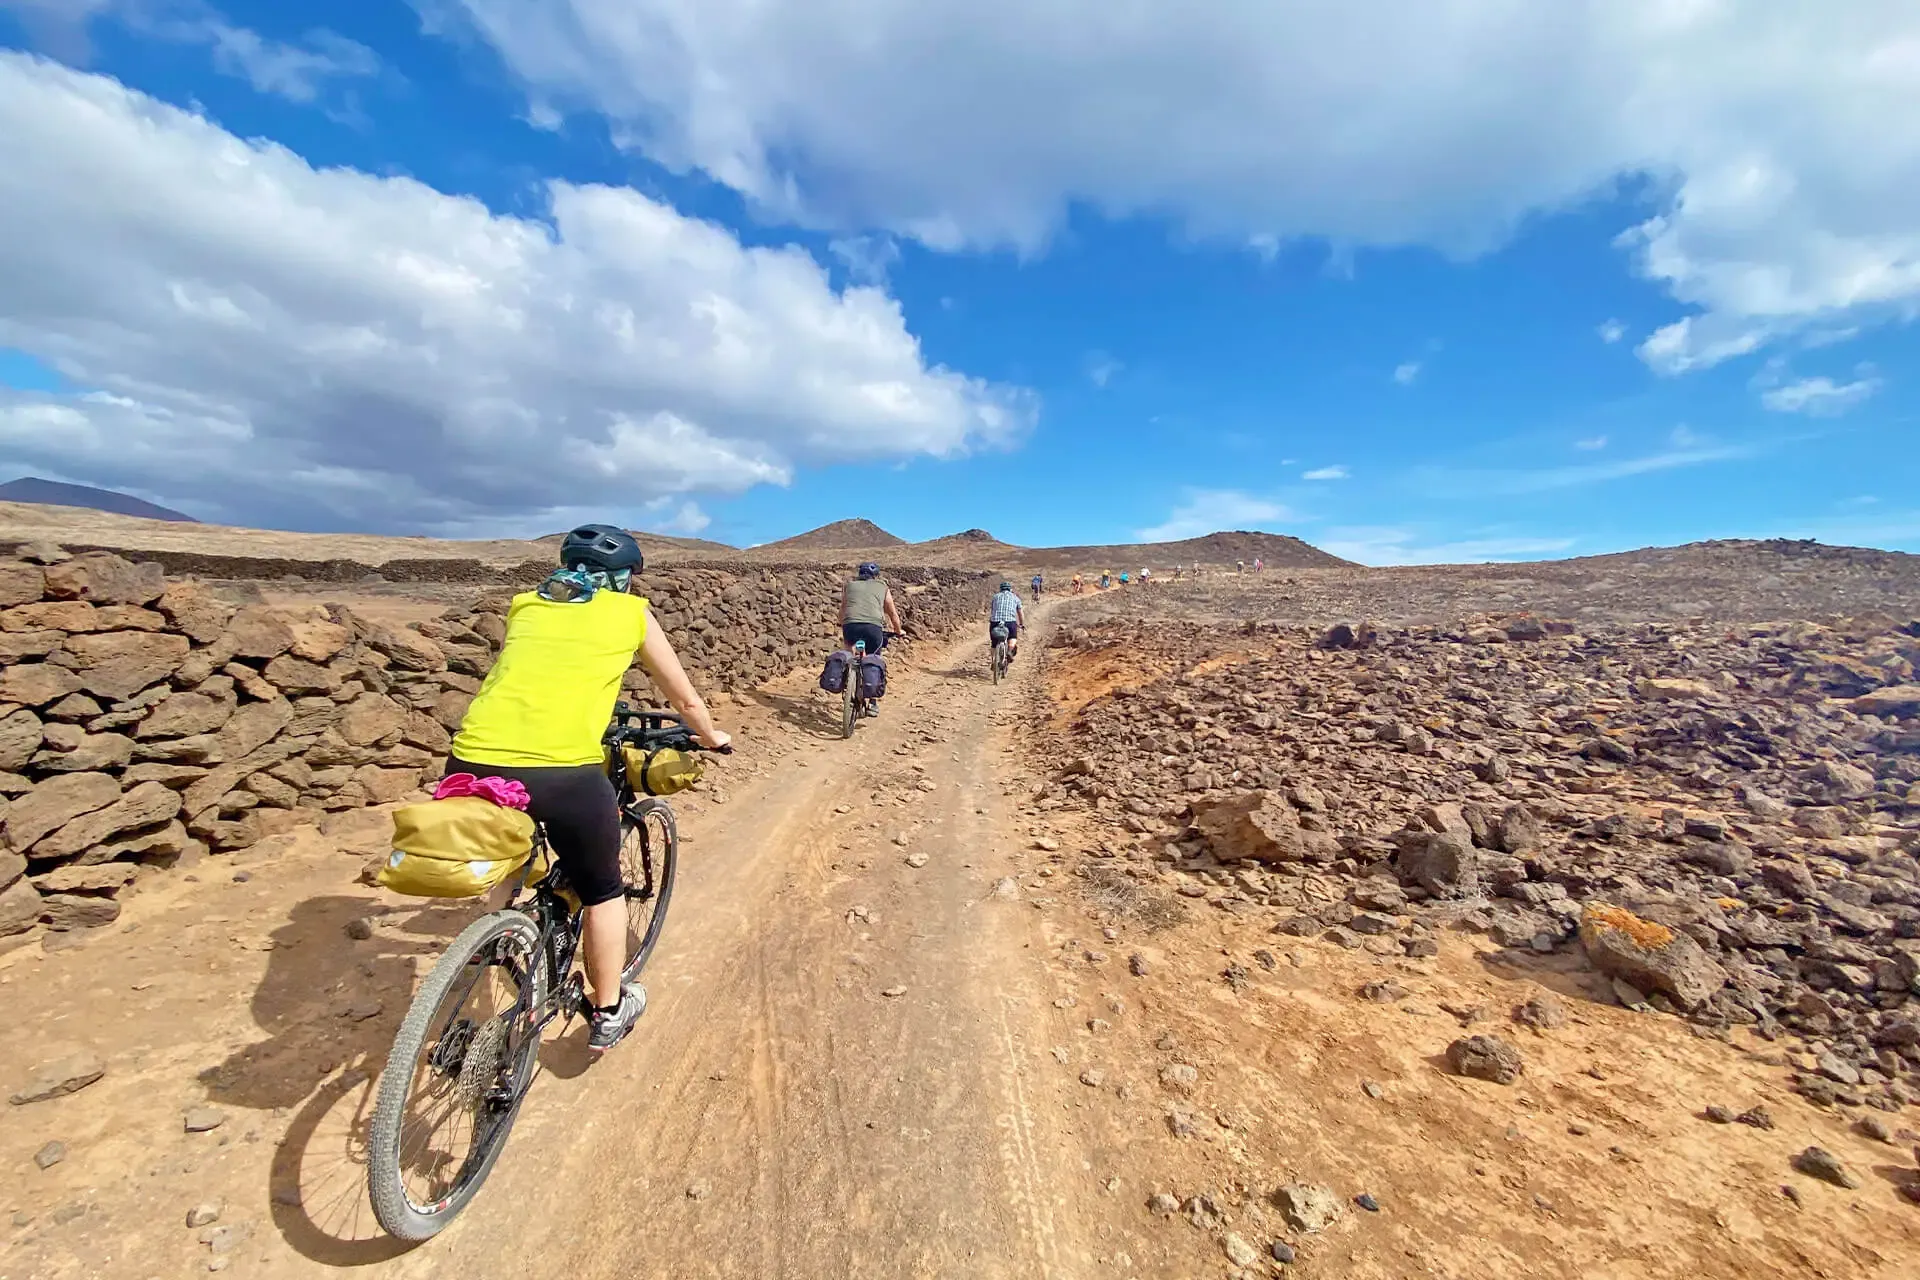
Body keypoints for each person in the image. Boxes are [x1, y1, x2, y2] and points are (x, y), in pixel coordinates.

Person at [447, 524, 729, 1054]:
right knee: (602, 891)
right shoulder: (630, 613)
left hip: (469, 758)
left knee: (509, 847)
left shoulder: (525, 605)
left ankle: (492, 938)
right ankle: (607, 1010)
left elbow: (543, 674)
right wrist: (711, 737)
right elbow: (687, 703)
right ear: (624, 577)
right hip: (562, 770)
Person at [841, 562, 902, 657]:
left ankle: (849, 666)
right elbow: (893, 614)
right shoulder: (883, 586)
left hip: (851, 626)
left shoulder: (849, 585)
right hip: (873, 627)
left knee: (849, 651)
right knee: (873, 659)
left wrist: (845, 625)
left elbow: (842, 611)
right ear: (876, 576)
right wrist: (898, 631)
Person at [988, 579, 1026, 663]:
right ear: (1010, 589)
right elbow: (1020, 612)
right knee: (1012, 637)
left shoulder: (995, 597)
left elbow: (993, 610)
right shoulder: (1015, 598)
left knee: (994, 644)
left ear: (1000, 589)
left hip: (995, 622)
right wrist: (1021, 624)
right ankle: (1010, 650)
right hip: (1010, 622)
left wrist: (992, 620)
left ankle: (994, 661)